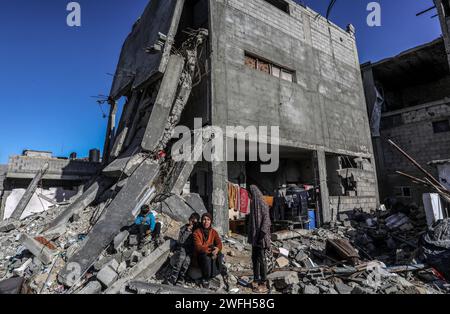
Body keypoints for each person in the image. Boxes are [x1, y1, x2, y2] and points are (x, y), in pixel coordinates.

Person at [248, 185, 272, 294]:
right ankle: (256, 279)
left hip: (261, 237)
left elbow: (266, 221)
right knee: (254, 258)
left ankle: (264, 282)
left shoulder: (262, 203)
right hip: (255, 237)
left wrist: (261, 236)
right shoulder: (254, 203)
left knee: (262, 260)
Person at [193, 213, 226, 288]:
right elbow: (198, 247)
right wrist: (210, 250)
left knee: (219, 254)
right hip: (200, 255)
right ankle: (205, 278)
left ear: (210, 221)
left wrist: (217, 249)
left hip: (210, 252)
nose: (206, 222)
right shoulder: (196, 232)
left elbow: (219, 243)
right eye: (204, 219)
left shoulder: (213, 232)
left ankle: (215, 273)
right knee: (206, 257)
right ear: (202, 221)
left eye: (208, 220)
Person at [167, 213, 201, 286]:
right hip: (183, 248)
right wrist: (187, 231)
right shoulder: (184, 228)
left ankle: (181, 278)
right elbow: (180, 241)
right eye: (191, 220)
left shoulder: (197, 230)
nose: (192, 223)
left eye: (194, 222)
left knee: (186, 262)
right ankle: (173, 278)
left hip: (191, 250)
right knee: (180, 261)